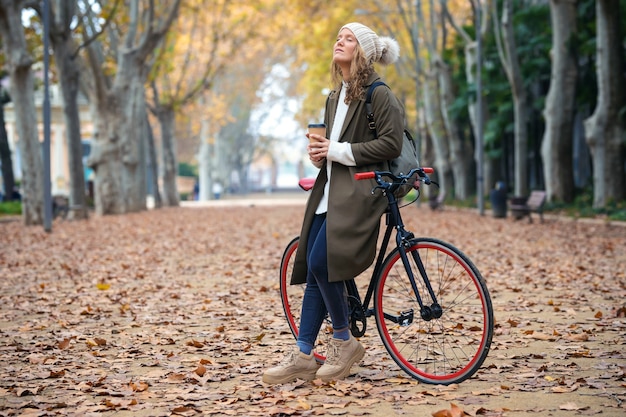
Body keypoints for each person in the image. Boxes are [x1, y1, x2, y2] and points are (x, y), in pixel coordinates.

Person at [263, 22, 404, 384]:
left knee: (319, 260)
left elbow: (391, 145)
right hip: (331, 190)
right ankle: (303, 354)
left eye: (349, 38)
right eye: (338, 36)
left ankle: (344, 340)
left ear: (364, 51)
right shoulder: (333, 96)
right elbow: (334, 151)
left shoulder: (379, 94)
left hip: (361, 193)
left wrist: (337, 150)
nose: (339, 41)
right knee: (313, 268)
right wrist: (320, 156)